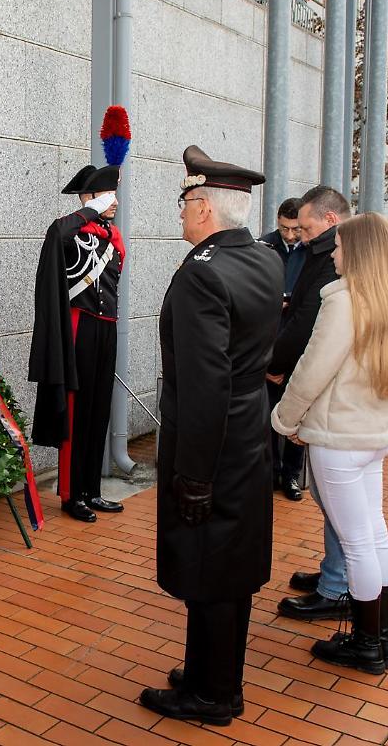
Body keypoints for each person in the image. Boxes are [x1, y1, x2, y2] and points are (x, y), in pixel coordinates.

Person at [140, 145, 282, 725]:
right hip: (248, 426)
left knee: (211, 564)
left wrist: (193, 473)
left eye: (183, 203)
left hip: (213, 438)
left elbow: (202, 384)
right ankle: (207, 670)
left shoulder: (203, 274)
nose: (179, 214)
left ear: (203, 208)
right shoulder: (263, 259)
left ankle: (214, 693)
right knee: (226, 561)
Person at [272, 212, 388, 675]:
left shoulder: (343, 301)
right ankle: (382, 639)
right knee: (373, 537)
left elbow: (312, 370)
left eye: (338, 246)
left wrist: (284, 418)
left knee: (358, 543)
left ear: (356, 252)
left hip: (340, 438)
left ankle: (367, 644)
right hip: (371, 433)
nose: (332, 253)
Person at [29, 164, 126, 522]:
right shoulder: (70, 232)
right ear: (89, 198)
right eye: (105, 195)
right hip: (79, 327)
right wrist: (90, 208)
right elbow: (57, 233)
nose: (114, 202)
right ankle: (72, 495)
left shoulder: (111, 237)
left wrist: (99, 212)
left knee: (100, 408)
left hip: (106, 328)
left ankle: (92, 490)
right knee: (76, 411)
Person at [271, 186, 350, 623]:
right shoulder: (319, 260)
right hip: (346, 415)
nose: (299, 235)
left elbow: (314, 343)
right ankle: (334, 576)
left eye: (308, 227)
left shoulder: (341, 292)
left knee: (344, 511)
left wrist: (286, 411)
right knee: (339, 506)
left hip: (340, 416)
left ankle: (339, 589)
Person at [259, 197, 306, 501]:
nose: (289, 235)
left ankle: (291, 475)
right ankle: (269, 471)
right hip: (269, 343)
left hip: (299, 346)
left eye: (295, 229)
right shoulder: (263, 246)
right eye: (284, 228)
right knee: (267, 414)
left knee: (296, 415)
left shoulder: (312, 251)